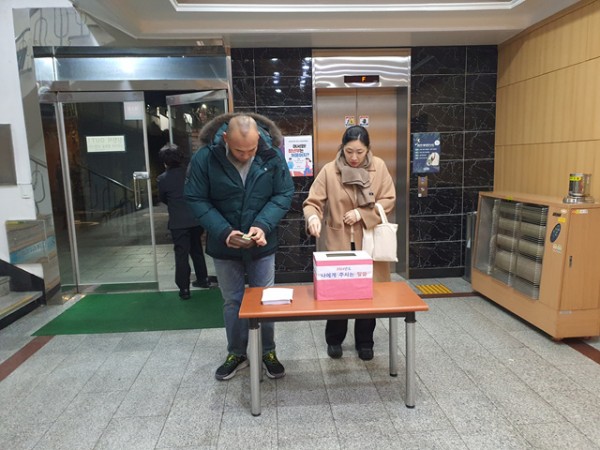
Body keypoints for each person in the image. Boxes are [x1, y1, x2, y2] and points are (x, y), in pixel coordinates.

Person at [184, 113, 294, 381]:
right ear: (225, 138)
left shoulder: (271, 155)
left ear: (259, 139)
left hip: (262, 241)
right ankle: (236, 353)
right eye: (238, 150)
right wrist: (224, 232)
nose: (245, 156)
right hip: (224, 243)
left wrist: (263, 224)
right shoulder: (205, 158)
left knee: (265, 298)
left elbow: (284, 193)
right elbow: (195, 197)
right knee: (232, 301)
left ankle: (267, 351)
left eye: (251, 149)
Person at [303, 125, 396, 361]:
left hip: (369, 242)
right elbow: (312, 202)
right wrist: (312, 217)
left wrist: (362, 214)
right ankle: (334, 340)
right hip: (339, 241)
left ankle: (365, 341)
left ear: (368, 149)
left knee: (368, 294)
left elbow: (388, 199)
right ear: (342, 148)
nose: (354, 157)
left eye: (360, 152)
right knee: (338, 293)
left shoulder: (379, 167)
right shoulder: (329, 170)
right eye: (349, 151)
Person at [157, 143, 211, 300]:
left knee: (181, 254)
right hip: (195, 218)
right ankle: (203, 279)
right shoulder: (192, 174)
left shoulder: (162, 179)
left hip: (178, 222)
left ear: (164, 161)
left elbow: (163, 198)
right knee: (197, 249)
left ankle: (184, 288)